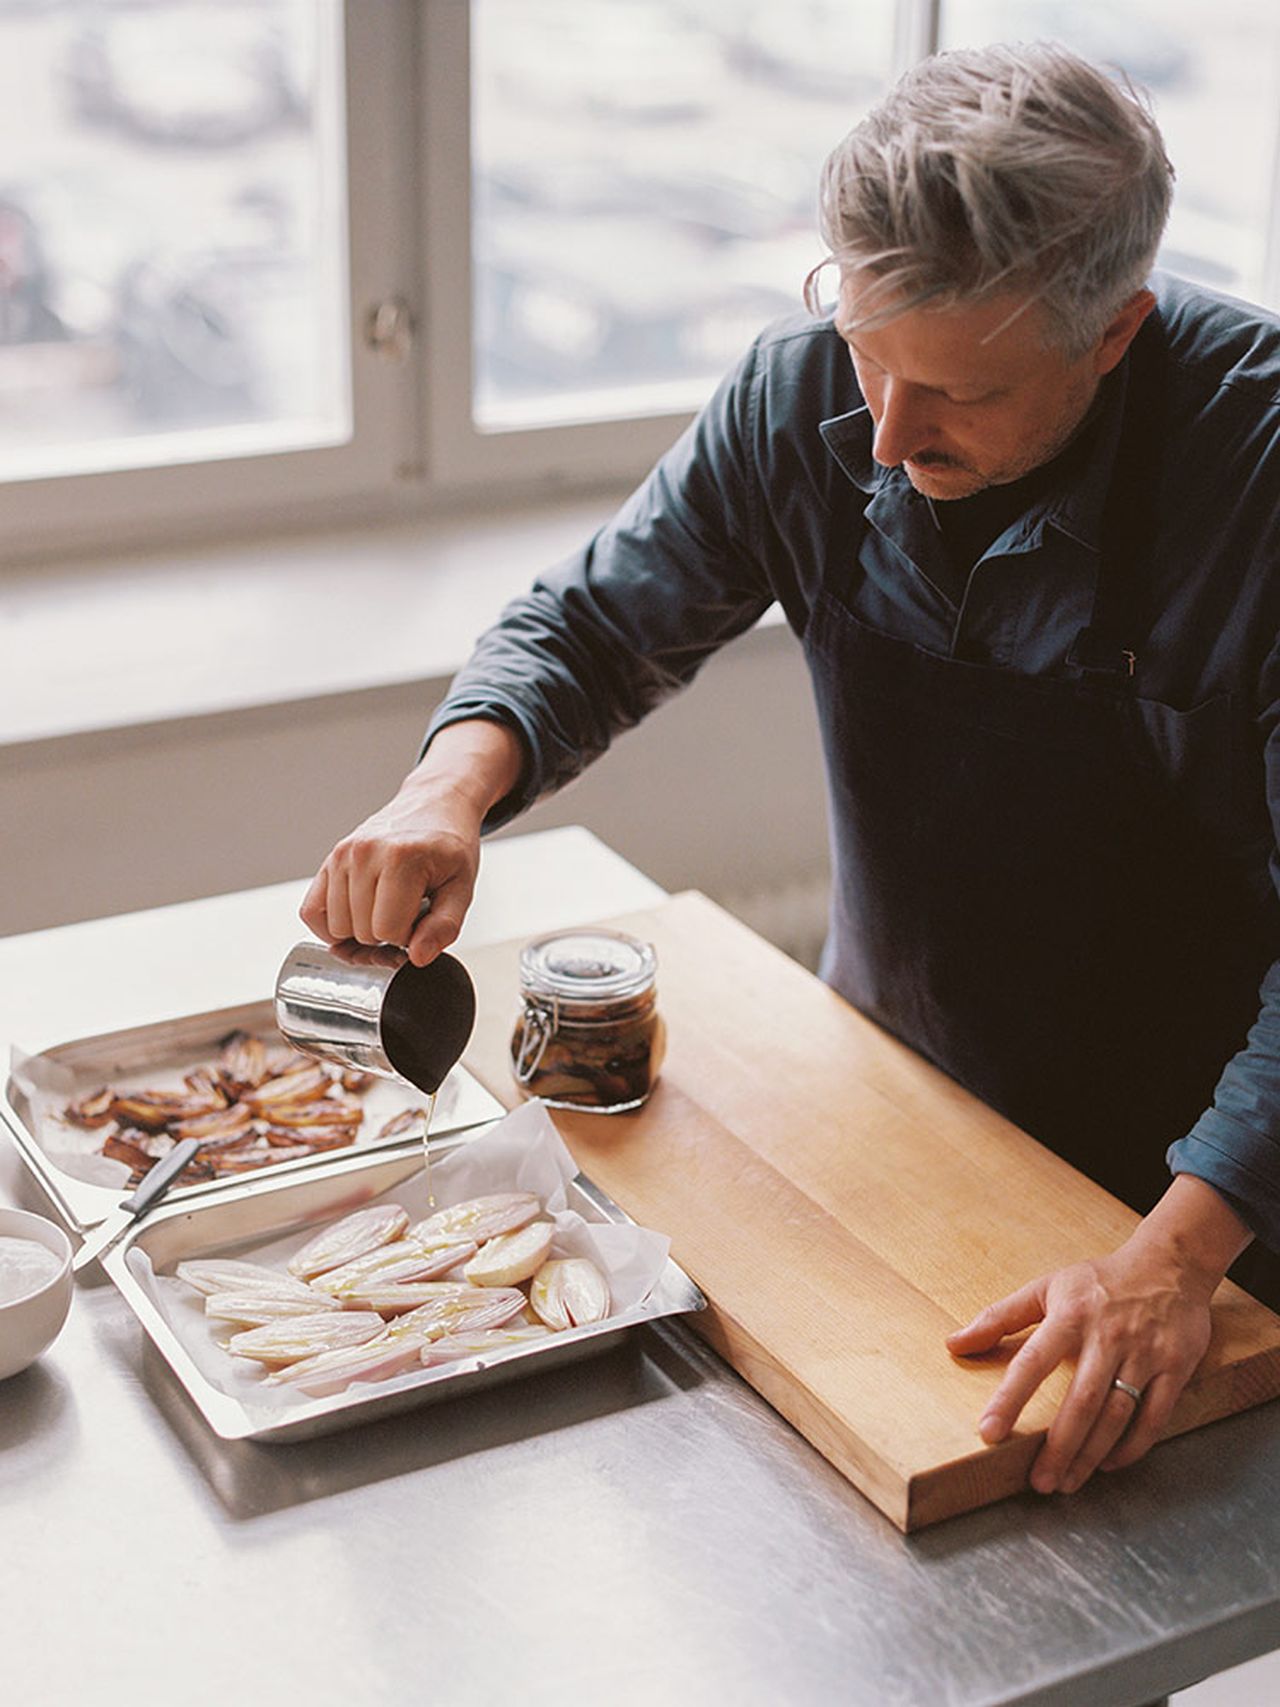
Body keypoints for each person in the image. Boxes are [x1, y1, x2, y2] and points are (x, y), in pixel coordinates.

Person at [303, 42, 1280, 1498]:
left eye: (958, 391)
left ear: (1116, 332)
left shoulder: (1257, 467)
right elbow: (597, 621)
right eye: (867, 353)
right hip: (911, 1099)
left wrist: (1178, 1253)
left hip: (1228, 1182)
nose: (885, 434)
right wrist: (447, 785)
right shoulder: (806, 397)